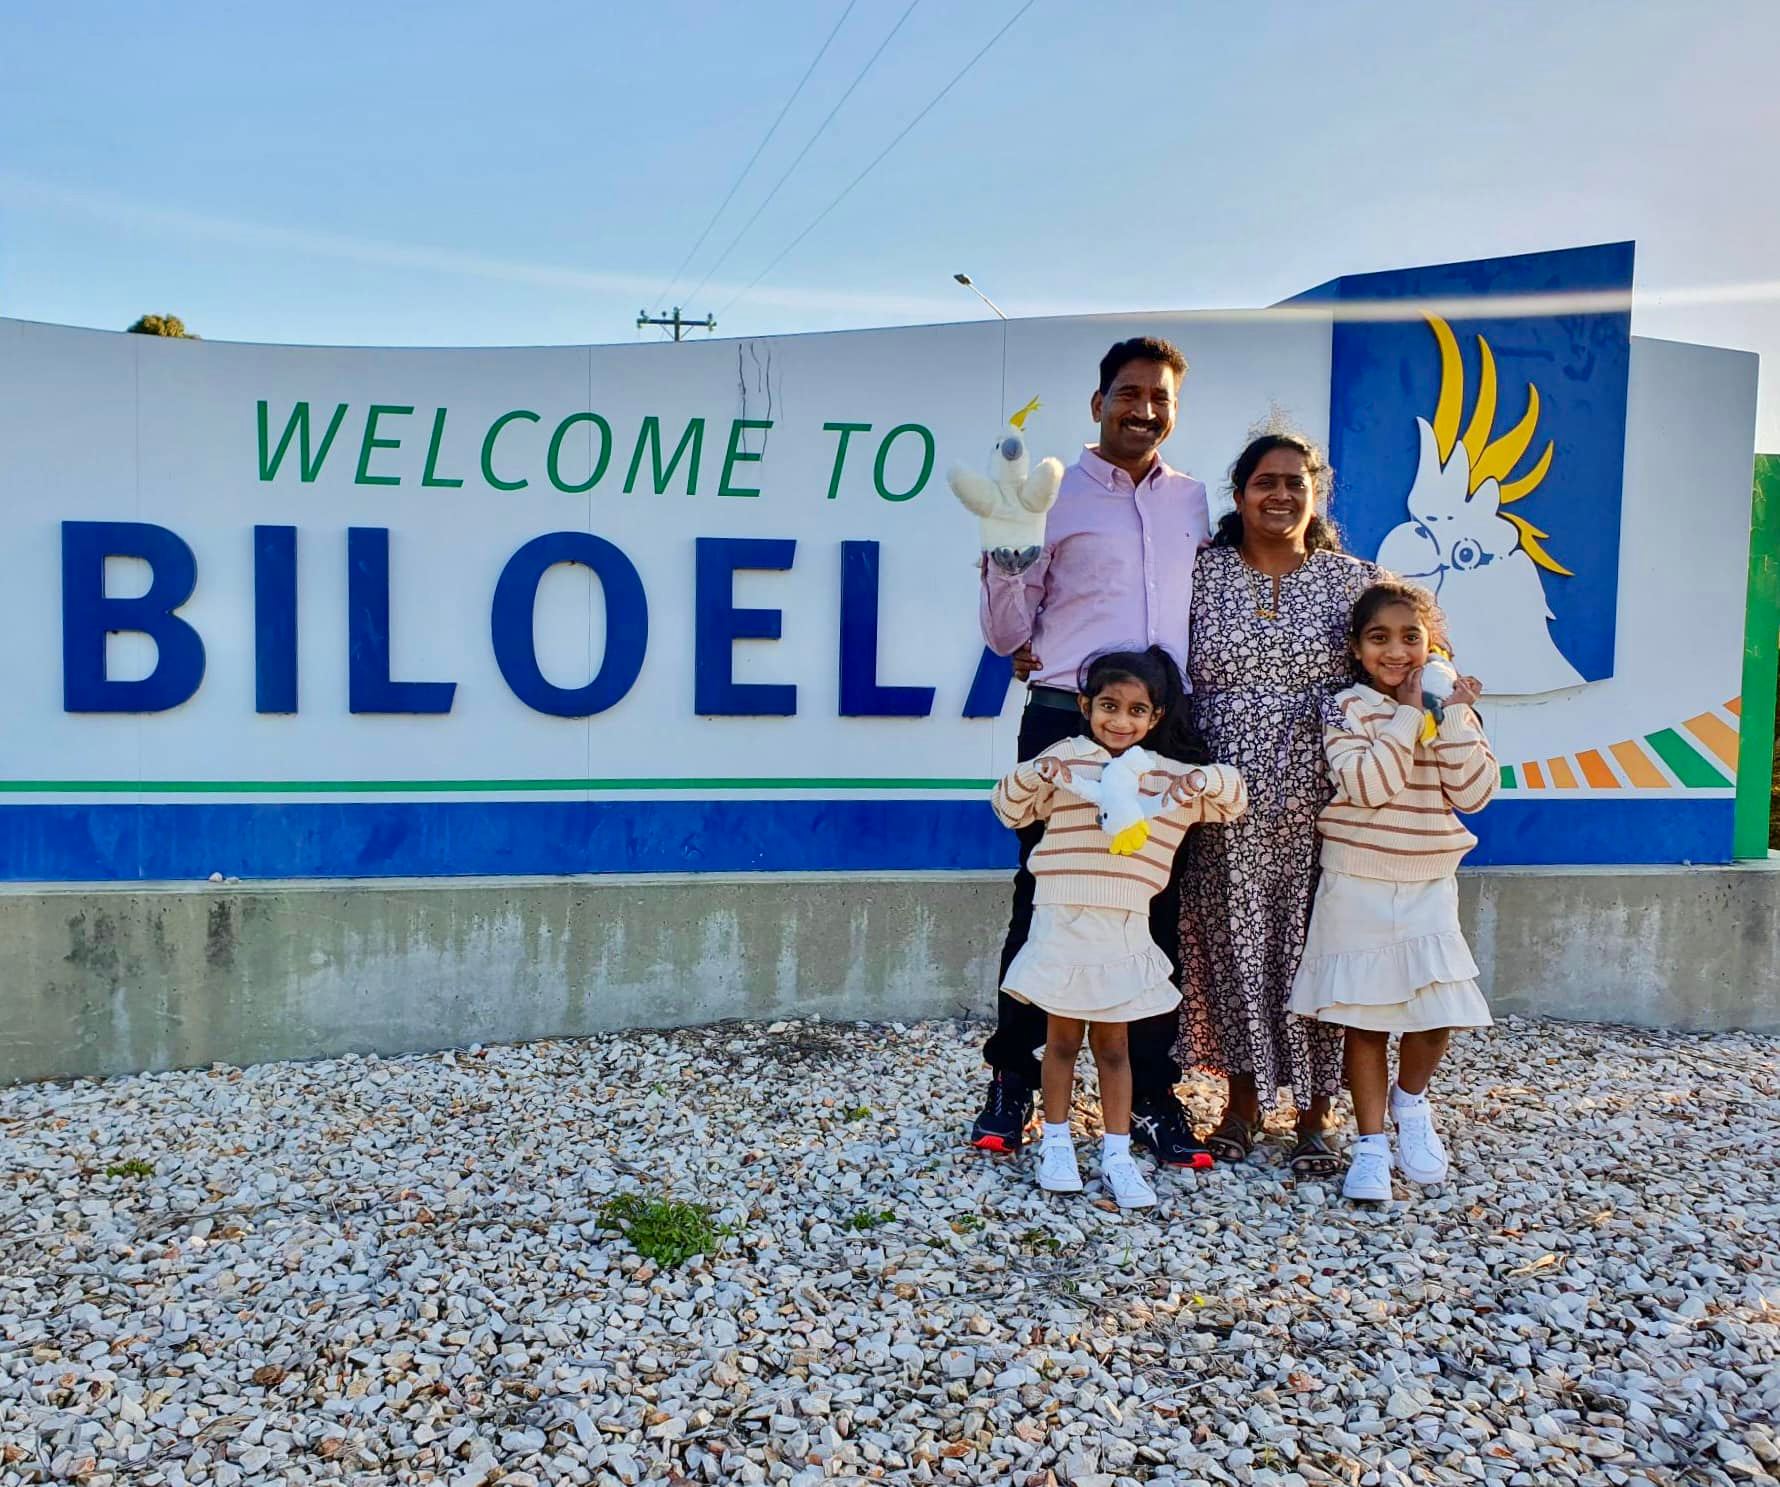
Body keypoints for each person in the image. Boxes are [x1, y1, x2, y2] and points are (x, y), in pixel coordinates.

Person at [975, 336, 1213, 1166]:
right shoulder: (1051, 493)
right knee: (1042, 903)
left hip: (1165, 729)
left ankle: (1149, 1091)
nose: (1145, 410)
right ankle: (1012, 1079)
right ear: (1098, 402)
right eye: (1130, 394)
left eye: (1161, 398)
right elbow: (1010, 633)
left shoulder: (1193, 501)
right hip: (1065, 720)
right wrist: (1005, 562)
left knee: (1151, 909)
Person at [1176, 431, 1379, 1178]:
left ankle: (1320, 1114)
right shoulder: (1200, 574)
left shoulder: (1354, 582)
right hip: (1221, 805)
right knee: (1230, 942)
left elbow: (1412, 648)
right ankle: (1237, 1102)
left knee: (1315, 947)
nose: (1282, 495)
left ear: (1316, 493)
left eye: (1297, 482)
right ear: (1238, 495)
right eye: (1266, 481)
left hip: (1321, 802)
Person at [990, 648, 1247, 1207]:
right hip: (1063, 920)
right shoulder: (1068, 760)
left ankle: (1116, 1151)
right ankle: (1056, 1144)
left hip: (1126, 927)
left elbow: (1233, 796)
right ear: (1085, 706)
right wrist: (1037, 770)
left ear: (1154, 718)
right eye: (1108, 705)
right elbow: (1009, 807)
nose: (1120, 720)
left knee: (1114, 1048)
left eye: (1136, 710)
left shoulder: (1161, 776)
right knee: (1058, 1043)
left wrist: (1200, 781)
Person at [1288, 581, 1496, 1201]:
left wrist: (1450, 711)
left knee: (1439, 1013)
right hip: (1357, 882)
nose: (1396, 650)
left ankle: (1412, 1105)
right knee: (1367, 1020)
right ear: (1356, 648)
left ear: (1432, 644)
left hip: (1429, 879)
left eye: (1411, 637)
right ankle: (1371, 1146)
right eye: (1379, 638)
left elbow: (1475, 793)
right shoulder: (1346, 709)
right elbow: (1368, 785)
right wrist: (1409, 715)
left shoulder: (1452, 707)